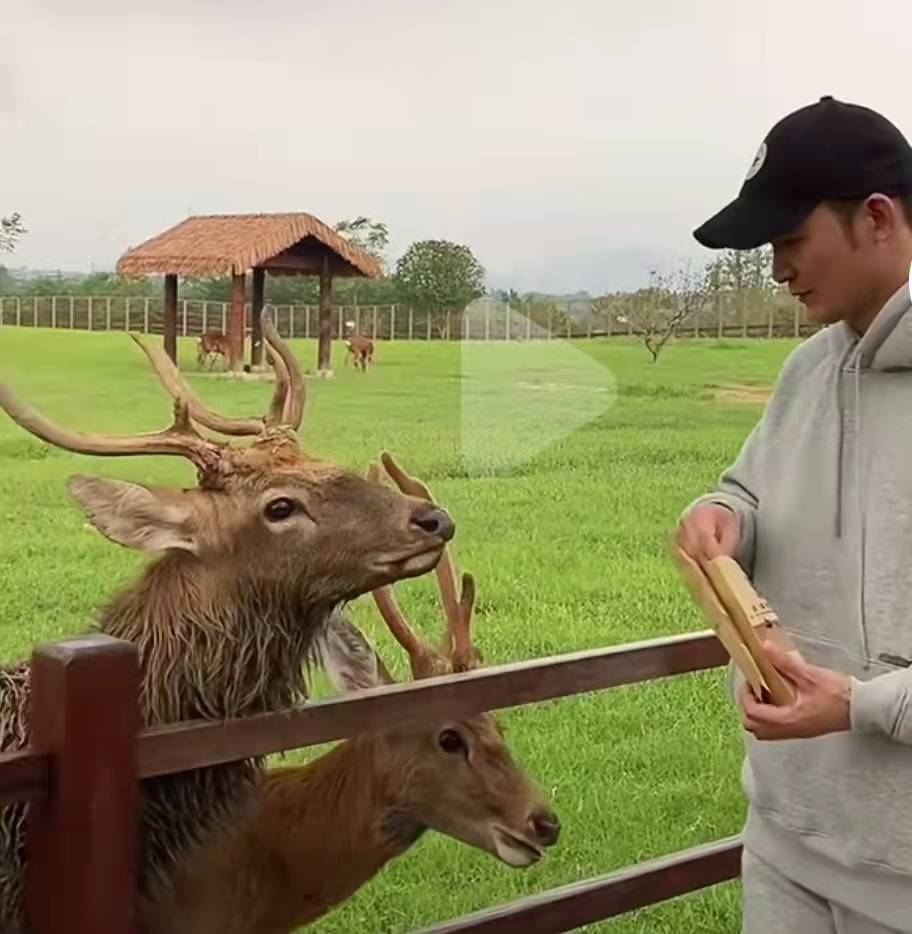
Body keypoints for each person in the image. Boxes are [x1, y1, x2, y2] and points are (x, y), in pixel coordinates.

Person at [678, 95, 912, 934]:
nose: (777, 269)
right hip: (783, 841)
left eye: (789, 241)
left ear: (876, 218)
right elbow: (751, 487)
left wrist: (859, 706)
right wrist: (722, 513)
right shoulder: (808, 371)